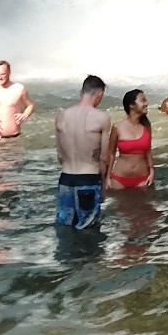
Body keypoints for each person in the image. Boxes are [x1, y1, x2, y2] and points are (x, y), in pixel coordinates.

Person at [54, 76, 116, 230]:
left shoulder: (61, 116)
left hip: (65, 180)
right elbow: (104, 157)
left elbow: (60, 156)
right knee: (89, 232)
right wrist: (103, 186)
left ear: (81, 92)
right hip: (88, 180)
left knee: (65, 230)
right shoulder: (102, 118)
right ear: (100, 95)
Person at [108, 89, 154, 190]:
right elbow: (111, 154)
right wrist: (107, 177)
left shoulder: (146, 126)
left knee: (144, 206)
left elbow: (148, 151)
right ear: (131, 105)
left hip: (143, 179)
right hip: (119, 179)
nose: (146, 104)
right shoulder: (117, 127)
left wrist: (152, 171)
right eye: (142, 101)